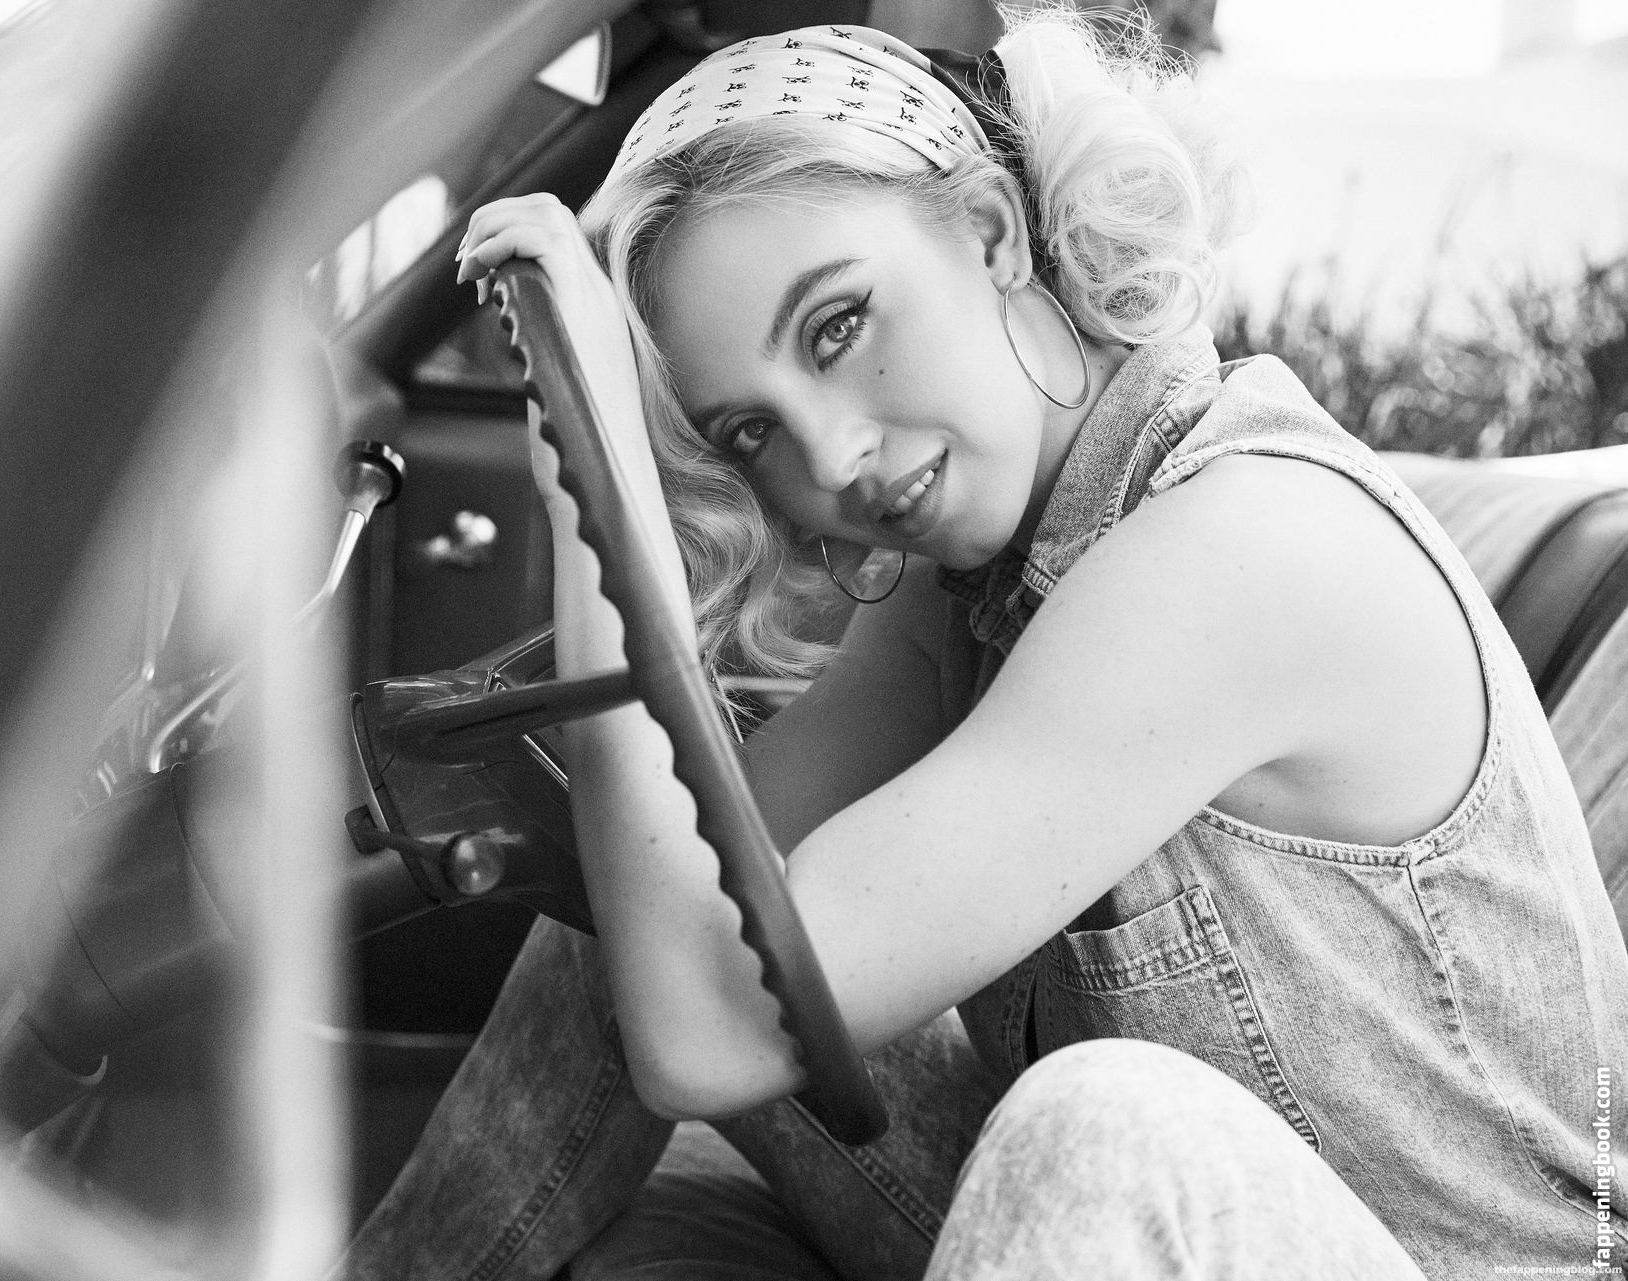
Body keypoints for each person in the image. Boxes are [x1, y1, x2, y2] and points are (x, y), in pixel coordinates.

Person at [349, 11, 1628, 1279]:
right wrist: (596, 453)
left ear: (992, 232)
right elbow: (695, 931)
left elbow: (711, 1037)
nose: (832, 457)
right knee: (638, 903)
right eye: (752, 432)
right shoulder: (978, 590)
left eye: (839, 326)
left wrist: (598, 486)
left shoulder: (1242, 546)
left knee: (1098, 1124)